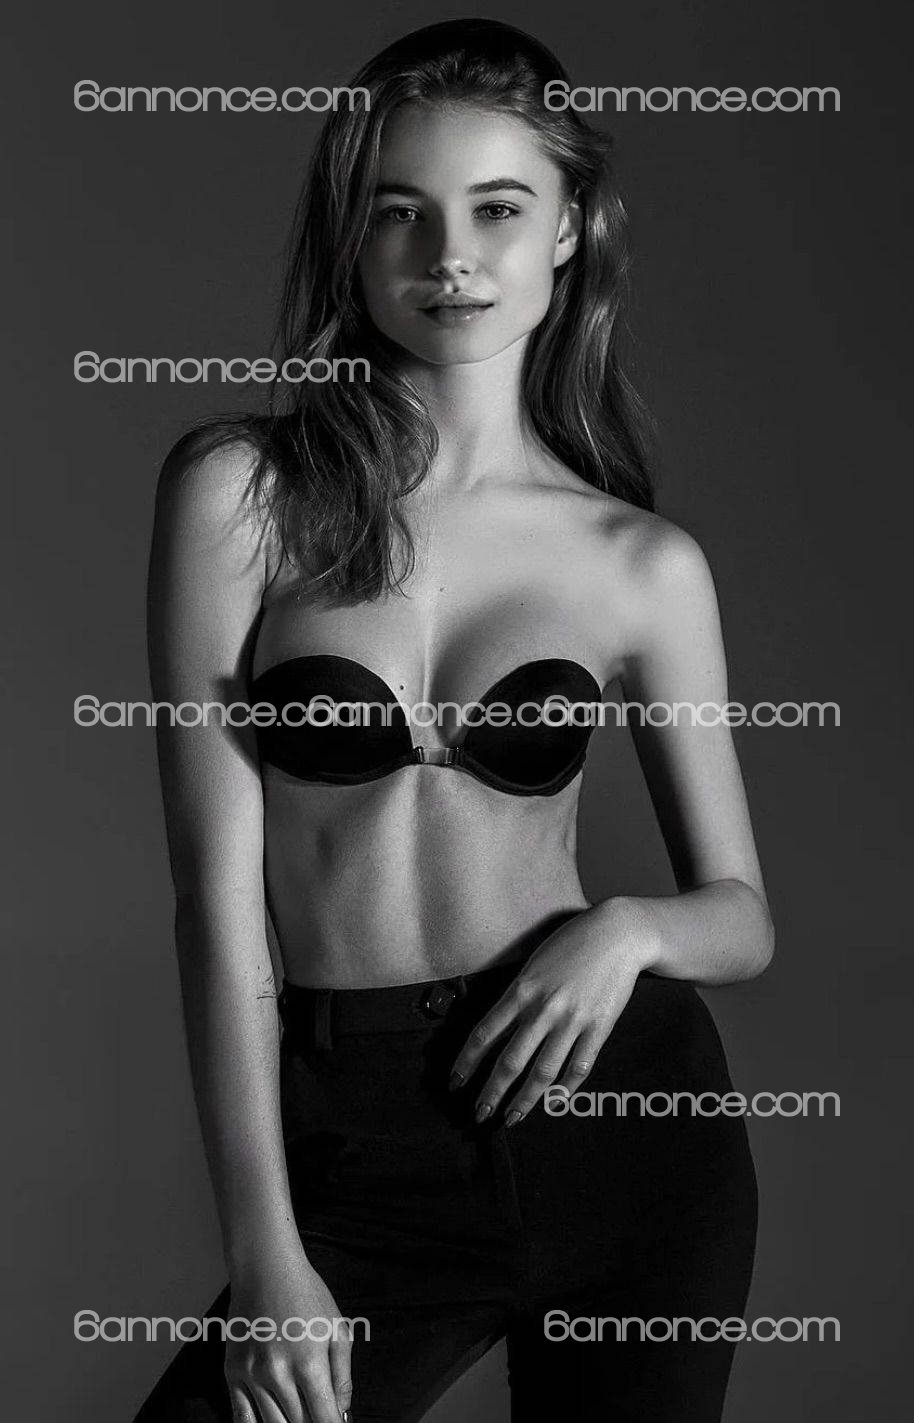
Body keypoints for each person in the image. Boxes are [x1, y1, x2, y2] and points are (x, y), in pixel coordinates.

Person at [134, 18, 773, 1423]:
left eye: (497, 208)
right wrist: (267, 1252)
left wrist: (628, 930)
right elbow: (214, 898)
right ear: (352, 240)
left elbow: (742, 916)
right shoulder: (243, 495)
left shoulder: (638, 563)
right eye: (399, 213)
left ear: (570, 229)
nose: (450, 256)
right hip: (357, 1145)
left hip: (622, 1128)